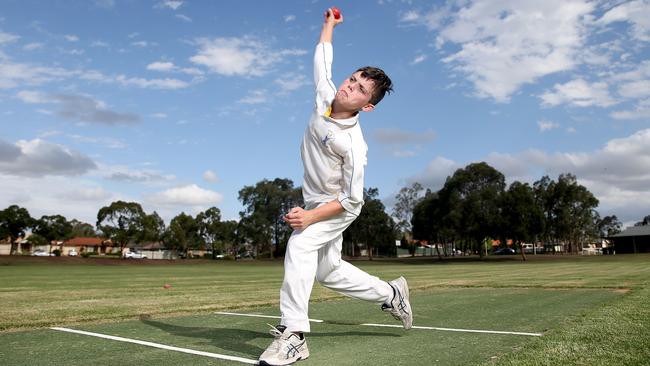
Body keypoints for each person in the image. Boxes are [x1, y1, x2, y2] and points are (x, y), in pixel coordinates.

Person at [258, 8, 412, 366]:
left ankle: (293, 336)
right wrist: (330, 25)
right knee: (328, 271)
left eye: (360, 89)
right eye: (352, 79)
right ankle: (391, 294)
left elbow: (351, 198)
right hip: (316, 199)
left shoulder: (354, 147)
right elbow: (322, 60)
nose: (349, 86)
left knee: (300, 244)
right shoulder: (325, 95)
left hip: (339, 205)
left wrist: (311, 216)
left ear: (368, 107)